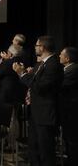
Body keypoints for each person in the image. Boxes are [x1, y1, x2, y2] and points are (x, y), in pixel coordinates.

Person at [13, 36, 63, 166]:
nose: (35, 48)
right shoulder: (42, 63)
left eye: (36, 45)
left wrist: (22, 74)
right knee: (34, 148)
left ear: (42, 47)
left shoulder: (53, 64)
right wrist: (25, 73)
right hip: (36, 112)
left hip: (46, 114)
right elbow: (34, 82)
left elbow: (40, 87)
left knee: (45, 151)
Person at [59, 47, 78, 166]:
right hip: (67, 109)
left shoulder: (74, 69)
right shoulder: (67, 69)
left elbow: (60, 84)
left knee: (72, 139)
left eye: (61, 54)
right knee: (68, 138)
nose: (59, 56)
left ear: (67, 58)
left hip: (72, 110)